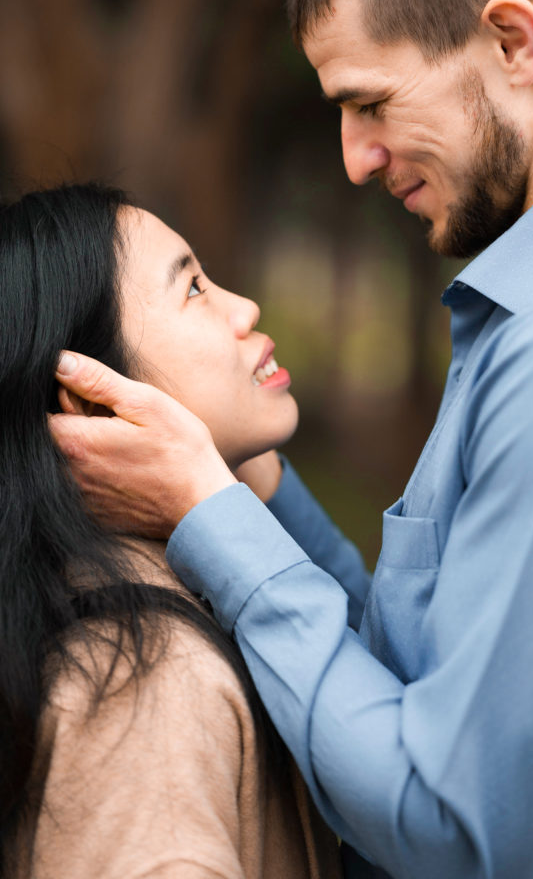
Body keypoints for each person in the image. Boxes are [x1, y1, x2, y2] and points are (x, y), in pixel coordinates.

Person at [51, 0, 533, 877]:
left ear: (513, 40)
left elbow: (452, 826)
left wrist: (208, 520)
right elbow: (416, 686)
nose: (353, 157)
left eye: (371, 102)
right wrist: (247, 489)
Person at [1, 183, 341, 879]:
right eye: (192, 289)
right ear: (92, 396)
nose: (244, 309)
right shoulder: (141, 685)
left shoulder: (122, 610)